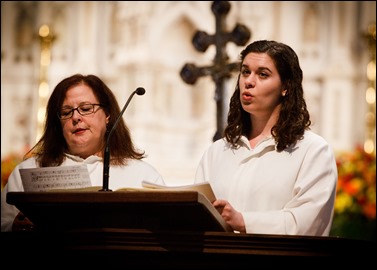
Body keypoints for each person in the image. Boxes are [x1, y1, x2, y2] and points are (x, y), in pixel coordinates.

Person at [194, 40, 338, 236]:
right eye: (245, 72)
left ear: (285, 87)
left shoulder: (312, 150)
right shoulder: (217, 151)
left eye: (263, 74)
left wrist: (243, 221)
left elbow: (307, 223)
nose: (249, 81)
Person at [1, 74, 165, 232]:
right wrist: (14, 227)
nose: (76, 117)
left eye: (86, 108)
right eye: (66, 112)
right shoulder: (29, 170)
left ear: (107, 115)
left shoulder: (143, 175)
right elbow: (4, 222)